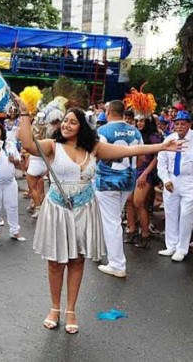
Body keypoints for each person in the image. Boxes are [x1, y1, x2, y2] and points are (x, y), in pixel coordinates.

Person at [14, 93, 181, 334]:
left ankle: (71, 309)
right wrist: (23, 114)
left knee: (77, 260)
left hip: (83, 209)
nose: (66, 124)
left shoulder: (94, 149)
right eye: (65, 121)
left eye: (73, 121)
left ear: (82, 127)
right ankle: (54, 307)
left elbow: (131, 151)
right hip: (57, 209)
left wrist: (162, 146)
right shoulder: (53, 146)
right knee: (55, 261)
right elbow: (28, 144)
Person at [94, 100, 143, 278]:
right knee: (112, 219)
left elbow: (97, 155)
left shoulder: (103, 131)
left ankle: (116, 263)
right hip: (128, 180)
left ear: (108, 111)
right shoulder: (135, 130)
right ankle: (102, 252)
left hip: (108, 181)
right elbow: (142, 155)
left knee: (111, 221)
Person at [157, 110, 193, 262]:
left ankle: (182, 248)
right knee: (171, 213)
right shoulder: (169, 140)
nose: (179, 127)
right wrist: (166, 180)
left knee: (186, 215)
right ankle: (171, 245)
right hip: (171, 181)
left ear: (189, 124)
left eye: (183, 124)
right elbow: (161, 163)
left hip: (189, 182)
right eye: (177, 124)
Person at [124, 115, 163, 249]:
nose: (139, 123)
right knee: (129, 200)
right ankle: (132, 230)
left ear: (148, 121)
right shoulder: (134, 134)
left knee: (138, 202)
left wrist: (145, 174)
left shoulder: (154, 136)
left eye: (142, 120)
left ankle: (145, 234)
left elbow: (157, 158)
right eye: (137, 120)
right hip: (133, 170)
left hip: (145, 173)